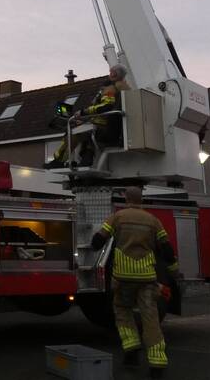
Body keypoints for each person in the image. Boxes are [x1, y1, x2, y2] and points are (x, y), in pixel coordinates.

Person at [90, 186, 177, 377]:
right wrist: (173, 270)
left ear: (125, 198)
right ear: (142, 199)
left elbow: (99, 240)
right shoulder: (153, 220)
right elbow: (167, 250)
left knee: (122, 310)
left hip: (123, 278)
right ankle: (157, 364)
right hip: (147, 278)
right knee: (150, 319)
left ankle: (131, 351)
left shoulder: (118, 217)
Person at [47, 82, 120, 168]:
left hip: (104, 129)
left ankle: (58, 161)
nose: (100, 92)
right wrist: (84, 122)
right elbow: (100, 115)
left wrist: (83, 112)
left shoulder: (109, 92)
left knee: (74, 133)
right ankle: (86, 159)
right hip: (103, 128)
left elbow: (106, 107)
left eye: (101, 90)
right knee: (84, 131)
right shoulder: (114, 94)